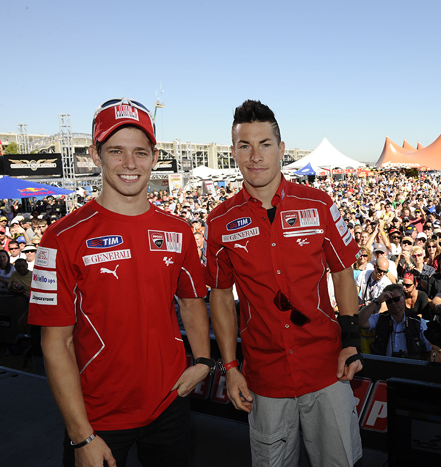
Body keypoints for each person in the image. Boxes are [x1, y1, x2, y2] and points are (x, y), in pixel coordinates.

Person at [28, 97, 211, 467]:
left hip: (171, 405)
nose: (130, 164)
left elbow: (192, 302)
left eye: (140, 153)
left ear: (155, 156)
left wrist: (204, 360)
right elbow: (56, 344)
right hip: (97, 419)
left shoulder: (178, 231)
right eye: (116, 151)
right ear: (95, 156)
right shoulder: (60, 238)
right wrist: (81, 437)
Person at [205, 100, 362, 466]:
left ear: (281, 148)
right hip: (265, 378)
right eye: (245, 145)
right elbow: (220, 297)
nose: (255, 155)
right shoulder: (219, 222)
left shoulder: (320, 204)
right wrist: (230, 368)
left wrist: (352, 340)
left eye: (265, 144)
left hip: (327, 371)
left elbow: (342, 272)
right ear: (233, 152)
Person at [359, 283, 440, 361]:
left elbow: (429, 350)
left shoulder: (418, 322)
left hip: (410, 369)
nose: (393, 303)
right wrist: (377, 301)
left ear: (404, 297)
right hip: (384, 366)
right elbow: (360, 321)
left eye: (396, 299)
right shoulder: (380, 318)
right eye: (389, 301)